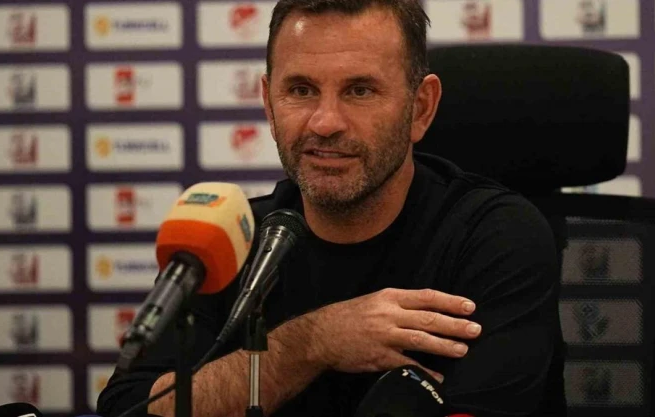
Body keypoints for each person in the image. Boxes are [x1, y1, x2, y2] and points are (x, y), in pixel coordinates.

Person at [96, 0, 567, 416]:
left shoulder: (494, 237)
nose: (325, 123)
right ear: (269, 104)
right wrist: (312, 343)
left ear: (420, 108)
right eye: (301, 90)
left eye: (359, 90)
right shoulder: (229, 240)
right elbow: (132, 406)